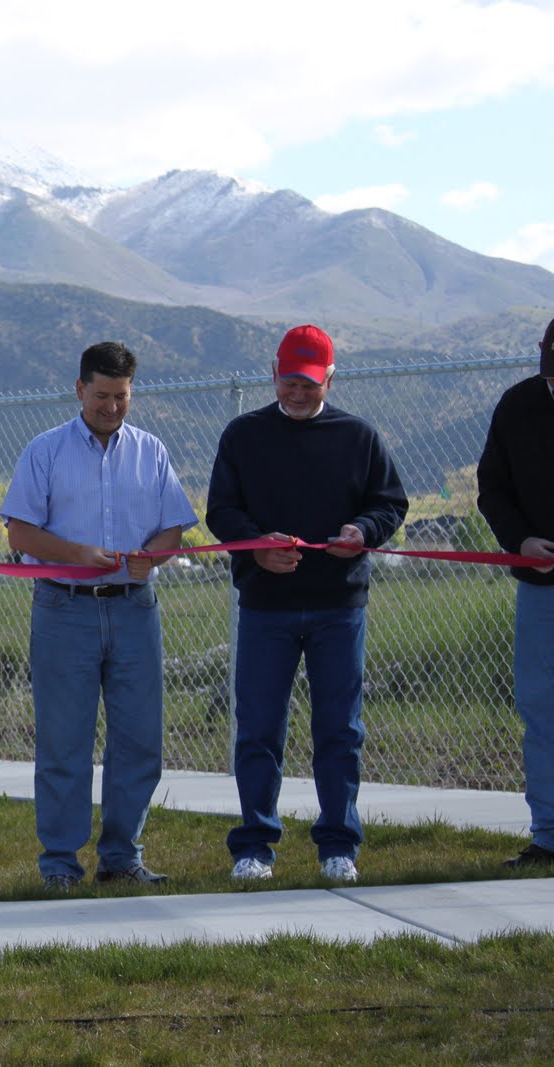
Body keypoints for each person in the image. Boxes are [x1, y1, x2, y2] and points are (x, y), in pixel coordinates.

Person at [207, 324, 408, 884]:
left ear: (330, 379)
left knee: (339, 730)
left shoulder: (358, 437)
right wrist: (258, 548)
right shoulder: (243, 435)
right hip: (266, 608)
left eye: (310, 384)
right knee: (259, 730)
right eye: (289, 381)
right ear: (273, 374)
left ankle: (338, 845)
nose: (297, 393)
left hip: (338, 607)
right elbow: (221, 511)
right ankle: (255, 844)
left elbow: (390, 502)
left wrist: (362, 528)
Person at [0, 342, 197, 892]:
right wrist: (77, 555)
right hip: (64, 610)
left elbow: (174, 527)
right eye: (103, 395)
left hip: (136, 611)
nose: (112, 407)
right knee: (64, 742)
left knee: (138, 740)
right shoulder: (45, 452)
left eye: (122, 397)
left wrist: (151, 554)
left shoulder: (152, 452)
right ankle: (60, 864)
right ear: (80, 389)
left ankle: (121, 857)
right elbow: (19, 532)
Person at [477, 316, 554, 869]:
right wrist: (521, 539)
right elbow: (492, 487)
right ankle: (548, 834)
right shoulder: (518, 404)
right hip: (540, 586)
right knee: (541, 709)